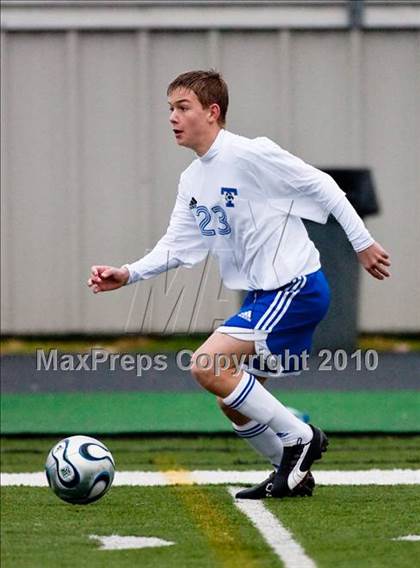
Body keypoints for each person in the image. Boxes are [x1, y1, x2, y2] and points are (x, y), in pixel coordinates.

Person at [88, 70, 390, 499]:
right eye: (170, 109)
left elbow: (321, 185)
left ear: (213, 113)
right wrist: (129, 272)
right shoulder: (192, 181)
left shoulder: (250, 154)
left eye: (183, 107)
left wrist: (362, 243)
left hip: (295, 289)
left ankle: (301, 438)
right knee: (231, 401)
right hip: (267, 296)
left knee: (206, 365)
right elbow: (177, 245)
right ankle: (290, 474)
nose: (173, 117)